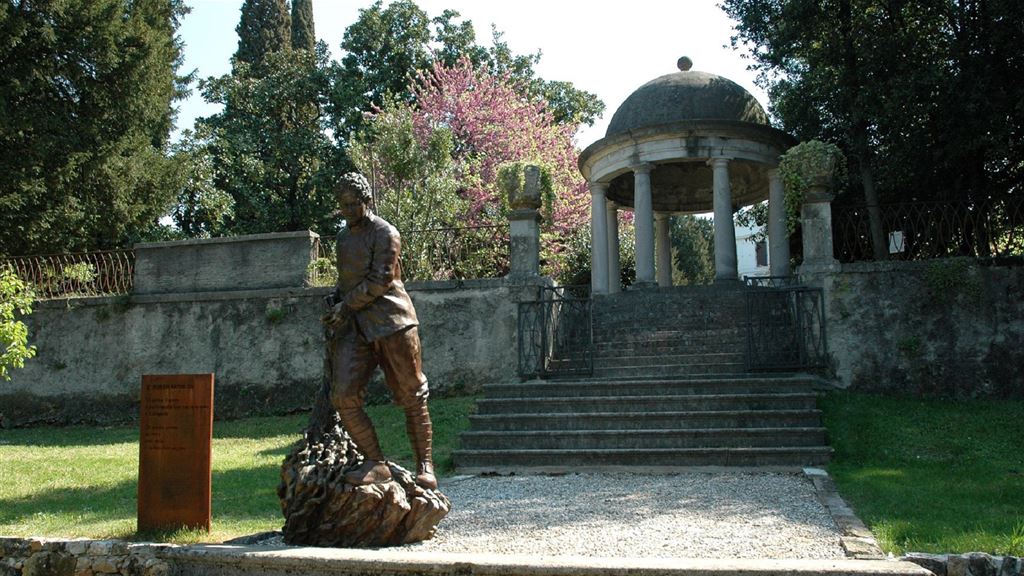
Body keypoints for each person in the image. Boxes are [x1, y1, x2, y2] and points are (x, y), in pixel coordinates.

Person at [320, 172, 436, 490]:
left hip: (392, 322)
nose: (348, 211)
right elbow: (348, 279)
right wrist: (335, 299)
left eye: (353, 204)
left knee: (412, 393)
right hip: (356, 326)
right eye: (343, 205)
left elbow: (381, 279)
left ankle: (425, 464)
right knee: (343, 395)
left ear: (367, 201)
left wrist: (345, 306)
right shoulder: (343, 238)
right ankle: (376, 462)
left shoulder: (386, 232)